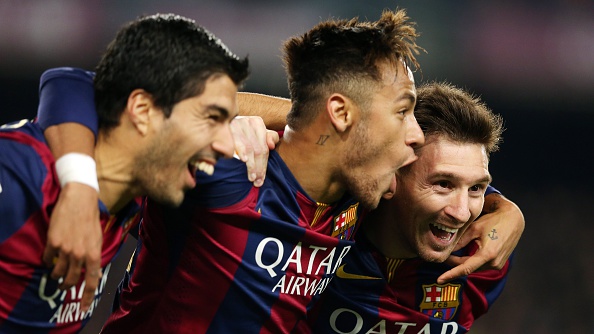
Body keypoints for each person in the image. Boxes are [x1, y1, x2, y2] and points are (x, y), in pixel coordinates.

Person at [0, 13, 250, 333]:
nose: (227, 146)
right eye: (212, 118)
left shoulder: (131, 198)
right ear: (143, 112)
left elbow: (70, 83)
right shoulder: (19, 176)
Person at [306, 82, 523, 334]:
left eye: (476, 188)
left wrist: (507, 208)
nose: (462, 212)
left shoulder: (484, 256)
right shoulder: (324, 217)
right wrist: (249, 127)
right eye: (443, 184)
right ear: (391, 174)